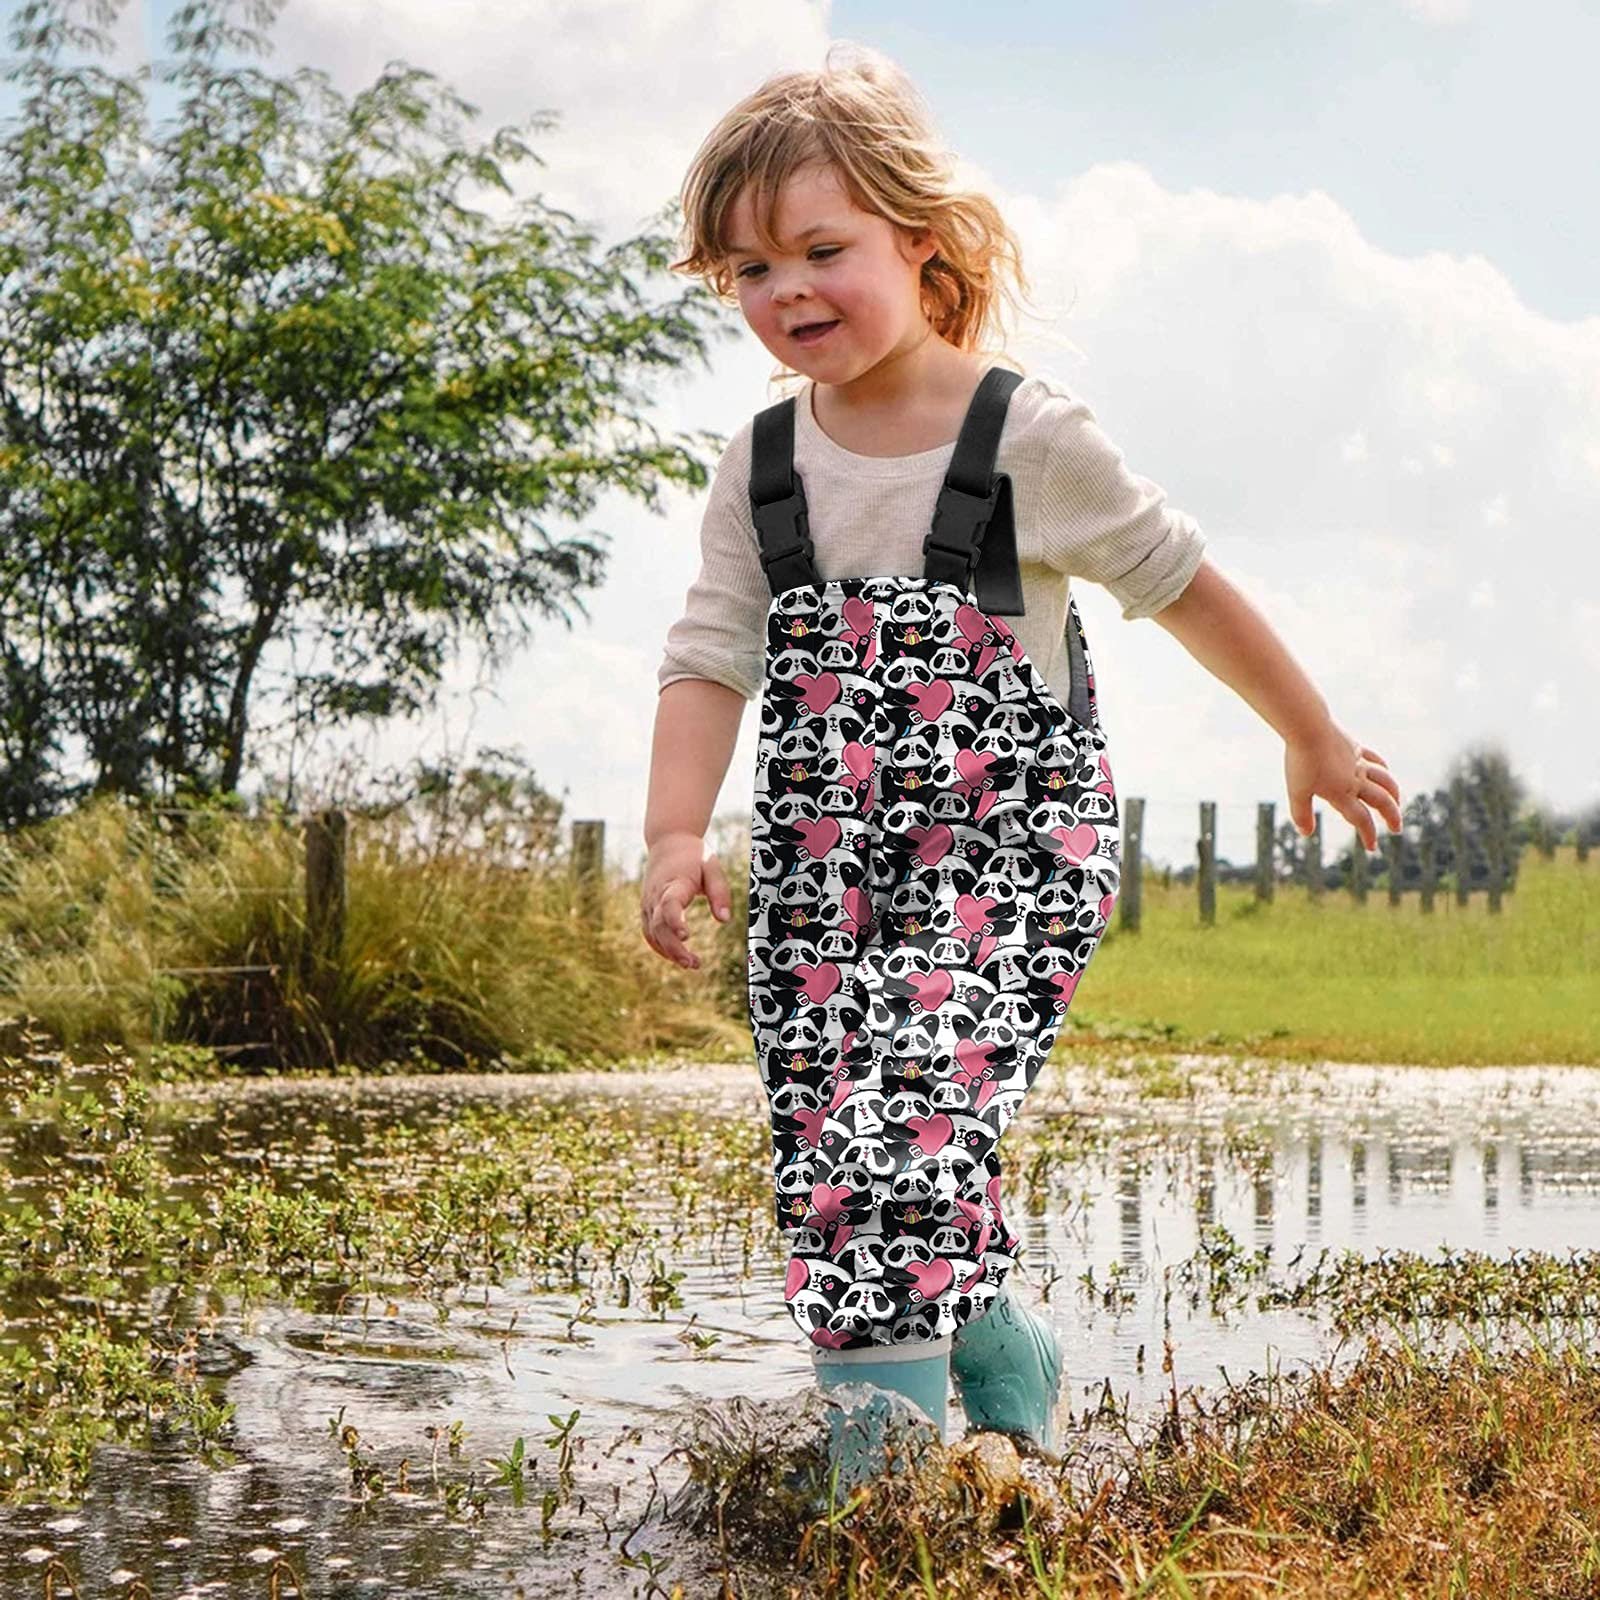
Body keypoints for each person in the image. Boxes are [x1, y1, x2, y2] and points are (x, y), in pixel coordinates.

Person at [640, 44, 1403, 1489]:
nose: (786, 291)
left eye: (820, 250)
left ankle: (884, 1439)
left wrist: (1305, 727)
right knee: (826, 1129)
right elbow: (708, 653)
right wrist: (678, 831)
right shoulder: (761, 469)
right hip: (823, 873)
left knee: (918, 1103)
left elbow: (1182, 581)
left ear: (919, 240)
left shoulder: (1027, 439)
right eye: (748, 270)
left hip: (1011, 858)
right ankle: (990, 1345)